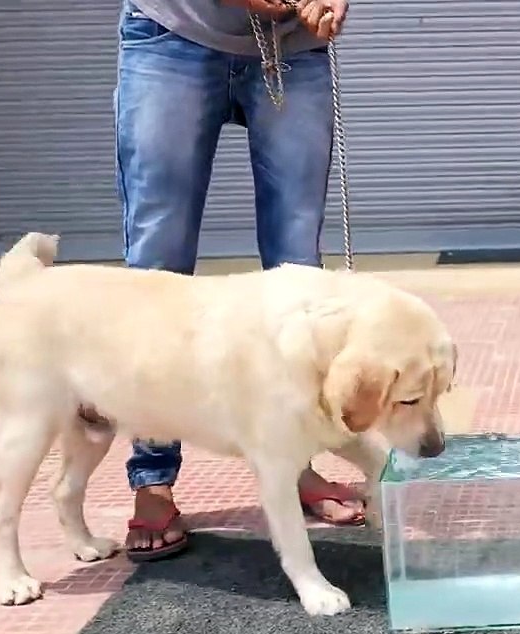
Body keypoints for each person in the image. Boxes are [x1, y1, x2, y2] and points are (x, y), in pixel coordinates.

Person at [114, 0, 362, 562]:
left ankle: (295, 458)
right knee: (158, 269)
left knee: (298, 272)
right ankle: (153, 479)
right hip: (172, 32)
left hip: (291, 47)